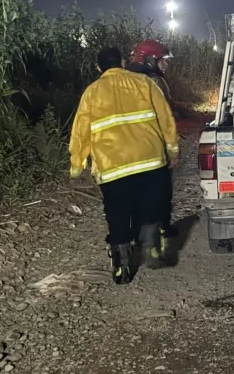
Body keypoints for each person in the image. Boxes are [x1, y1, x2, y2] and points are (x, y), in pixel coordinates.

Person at [69, 47, 179, 284]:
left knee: (117, 213)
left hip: (113, 166)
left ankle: (121, 264)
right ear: (122, 63)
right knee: (148, 205)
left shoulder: (92, 93)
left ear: (98, 68)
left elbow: (80, 132)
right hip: (149, 160)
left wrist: (77, 164)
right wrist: (173, 150)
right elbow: (166, 118)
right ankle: (150, 246)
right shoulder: (144, 83)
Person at [126, 39, 179, 250]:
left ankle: (135, 232)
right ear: (150, 60)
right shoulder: (154, 83)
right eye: (162, 60)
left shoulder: (124, 79)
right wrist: (172, 147)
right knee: (161, 189)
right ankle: (161, 229)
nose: (165, 64)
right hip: (153, 144)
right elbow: (165, 114)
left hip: (128, 145)